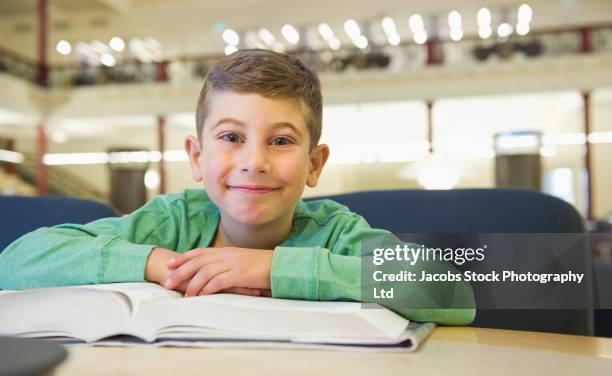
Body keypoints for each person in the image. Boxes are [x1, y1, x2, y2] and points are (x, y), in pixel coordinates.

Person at [0, 49, 475, 325]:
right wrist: (154, 262)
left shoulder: (336, 232)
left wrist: (272, 269)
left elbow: (451, 293)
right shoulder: (172, 223)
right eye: (231, 137)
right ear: (196, 158)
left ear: (314, 164)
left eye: (281, 141)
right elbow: (16, 261)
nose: (254, 162)